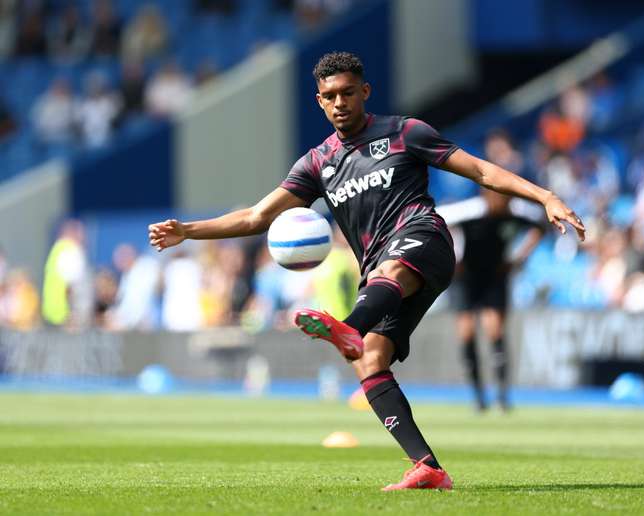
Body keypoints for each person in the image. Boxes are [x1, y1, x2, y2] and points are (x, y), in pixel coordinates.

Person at [148, 52, 585, 490]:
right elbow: (256, 217)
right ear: (319, 101)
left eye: (347, 93)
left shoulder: (404, 133)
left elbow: (480, 170)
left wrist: (544, 195)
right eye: (330, 96)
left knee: (387, 277)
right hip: (380, 271)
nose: (340, 103)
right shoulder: (317, 164)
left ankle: (348, 326)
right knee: (369, 359)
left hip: (425, 239)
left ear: (365, 92)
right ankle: (428, 466)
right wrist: (188, 230)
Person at [437, 184, 545, 412]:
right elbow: (439, 222)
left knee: (495, 330)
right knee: (467, 333)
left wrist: (519, 258)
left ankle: (502, 395)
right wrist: (451, 256)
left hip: (495, 277)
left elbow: (540, 226)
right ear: (487, 196)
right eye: (499, 198)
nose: (503, 204)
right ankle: (478, 396)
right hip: (466, 279)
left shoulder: (515, 214)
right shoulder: (471, 212)